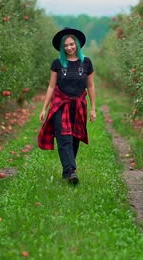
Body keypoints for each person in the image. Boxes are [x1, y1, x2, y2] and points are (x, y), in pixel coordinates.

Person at [38, 27, 96, 185]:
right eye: (66, 46)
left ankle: (67, 170)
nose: (69, 48)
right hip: (60, 104)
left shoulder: (86, 63)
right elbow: (51, 86)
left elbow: (90, 86)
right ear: (62, 48)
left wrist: (93, 109)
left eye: (71, 44)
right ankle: (71, 171)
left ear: (77, 44)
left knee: (75, 138)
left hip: (78, 105)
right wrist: (44, 108)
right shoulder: (58, 63)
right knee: (64, 138)